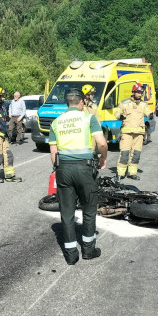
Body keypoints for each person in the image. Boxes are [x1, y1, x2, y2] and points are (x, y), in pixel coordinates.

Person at [49, 89, 108, 265]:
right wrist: (103, 158)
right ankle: (89, 250)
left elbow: (53, 152)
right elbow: (102, 143)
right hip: (85, 169)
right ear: (81, 102)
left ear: (67, 103)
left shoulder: (56, 122)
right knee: (89, 210)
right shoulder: (89, 118)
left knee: (67, 213)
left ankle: (71, 254)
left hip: (64, 169)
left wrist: (58, 169)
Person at [116, 83, 150, 180]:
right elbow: (117, 112)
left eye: (141, 93)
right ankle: (120, 173)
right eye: (138, 92)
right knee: (125, 153)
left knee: (136, 154)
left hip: (139, 133)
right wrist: (120, 116)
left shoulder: (143, 104)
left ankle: (132, 172)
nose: (140, 94)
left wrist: (150, 115)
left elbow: (148, 111)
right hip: (127, 132)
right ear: (133, 92)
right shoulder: (125, 103)